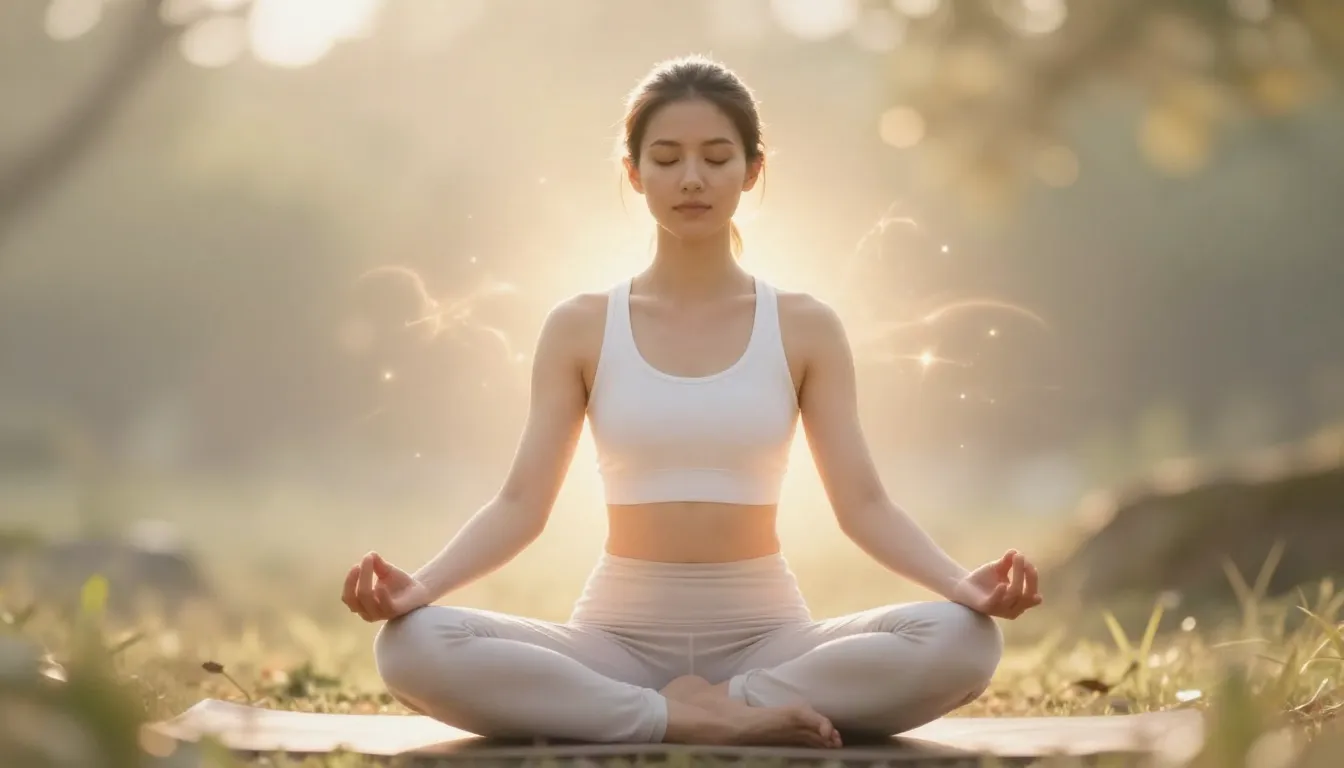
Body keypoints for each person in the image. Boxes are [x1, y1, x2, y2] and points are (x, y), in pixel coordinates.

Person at [340, 54, 1042, 749]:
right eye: (668, 158)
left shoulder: (805, 325)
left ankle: (719, 704)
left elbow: (865, 506)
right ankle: (674, 716)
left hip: (768, 638)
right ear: (634, 172)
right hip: (614, 640)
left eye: (716, 156)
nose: (693, 179)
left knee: (961, 640)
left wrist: (961, 584)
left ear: (752, 170)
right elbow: (521, 504)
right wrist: (420, 586)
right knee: (412, 647)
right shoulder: (581, 325)